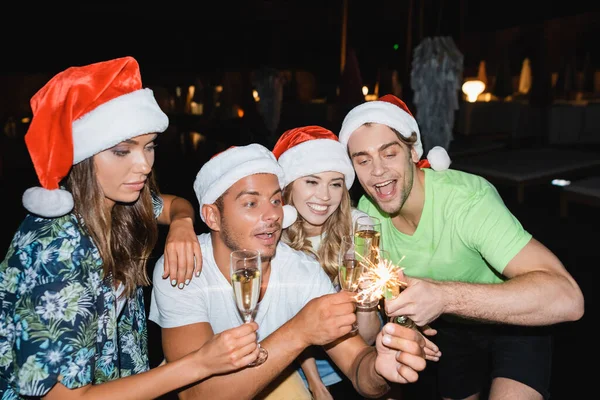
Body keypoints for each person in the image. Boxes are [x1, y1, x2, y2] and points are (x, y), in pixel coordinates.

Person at [0, 56, 261, 399]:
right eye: (122, 151)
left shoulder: (121, 203)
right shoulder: (55, 250)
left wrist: (182, 224)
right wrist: (201, 363)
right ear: (83, 154)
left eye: (149, 146)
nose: (143, 165)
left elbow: (173, 204)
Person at [337, 94, 585, 400]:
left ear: (413, 151)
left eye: (389, 154)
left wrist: (442, 297)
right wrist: (406, 323)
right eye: (362, 160)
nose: (376, 171)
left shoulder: (467, 201)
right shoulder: (368, 216)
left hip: (517, 319)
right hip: (450, 328)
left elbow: (568, 299)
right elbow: (386, 304)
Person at [148, 143, 429, 400]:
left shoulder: (302, 271)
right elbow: (197, 395)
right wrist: (299, 332)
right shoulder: (184, 265)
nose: (272, 215)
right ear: (212, 216)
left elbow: (357, 365)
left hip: (274, 375)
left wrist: (380, 367)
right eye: (251, 203)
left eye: (275, 200)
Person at [272, 125, 384, 399]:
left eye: (335, 184)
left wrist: (365, 299)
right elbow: (282, 322)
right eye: (311, 181)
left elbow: (368, 337)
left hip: (356, 358)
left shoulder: (360, 231)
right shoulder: (273, 237)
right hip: (289, 363)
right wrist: (312, 380)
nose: (324, 196)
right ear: (288, 186)